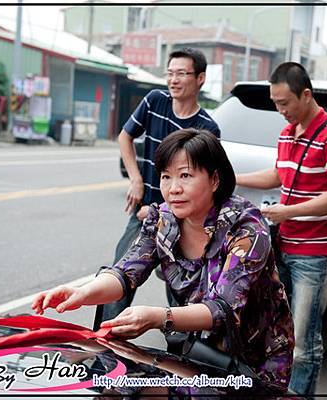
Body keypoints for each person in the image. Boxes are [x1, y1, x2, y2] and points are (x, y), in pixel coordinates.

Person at [32, 129, 294, 394]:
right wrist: (82, 292)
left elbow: (223, 309)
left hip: (257, 357)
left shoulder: (246, 227)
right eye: (166, 177)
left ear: (214, 179)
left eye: (185, 175)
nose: (173, 188)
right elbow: (125, 273)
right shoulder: (162, 220)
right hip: (197, 351)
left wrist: (158, 318)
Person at [236, 62, 327, 395]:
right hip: (283, 249)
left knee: (304, 343)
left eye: (284, 102)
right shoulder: (287, 133)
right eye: (275, 103)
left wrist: (287, 211)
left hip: (313, 255)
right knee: (279, 334)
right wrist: (234, 179)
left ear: (306, 94)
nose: (280, 110)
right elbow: (279, 175)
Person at [100, 47, 220, 326]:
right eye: (170, 73)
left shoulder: (208, 129)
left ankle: (181, 360)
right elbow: (125, 137)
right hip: (142, 214)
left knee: (181, 295)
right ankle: (105, 351)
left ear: (200, 78)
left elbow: (198, 187)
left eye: (181, 73)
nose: (173, 79)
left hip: (182, 223)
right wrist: (136, 179)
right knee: (119, 277)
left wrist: (160, 212)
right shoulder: (155, 101)